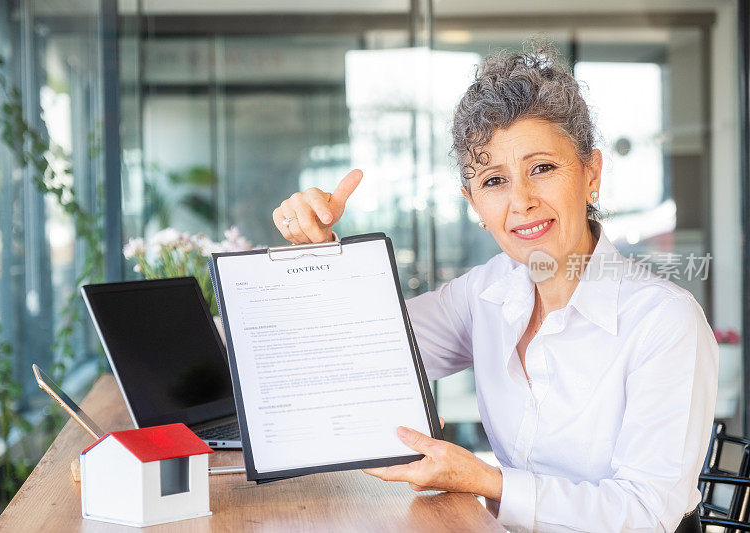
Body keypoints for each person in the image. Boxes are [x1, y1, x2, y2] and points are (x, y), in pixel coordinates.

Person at [271, 44, 717, 532]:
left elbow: (648, 514)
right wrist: (320, 254)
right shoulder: (486, 293)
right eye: (493, 181)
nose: (521, 201)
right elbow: (363, 350)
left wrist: (487, 481)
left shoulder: (663, 320)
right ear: (473, 203)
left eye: (542, 168)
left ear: (591, 174)